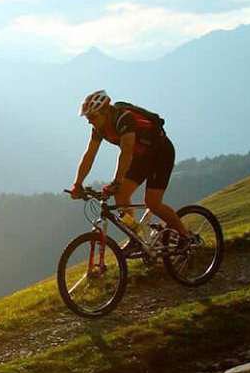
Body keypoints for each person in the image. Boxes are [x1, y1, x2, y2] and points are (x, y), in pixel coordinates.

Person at [70, 90, 186, 256]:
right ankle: (136, 238)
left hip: (161, 153)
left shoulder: (124, 119)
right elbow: (89, 155)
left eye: (92, 117)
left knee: (152, 203)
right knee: (121, 196)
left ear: (105, 111)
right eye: (88, 118)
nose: (89, 122)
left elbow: (127, 151)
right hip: (141, 157)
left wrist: (117, 181)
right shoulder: (99, 127)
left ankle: (185, 236)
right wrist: (78, 183)